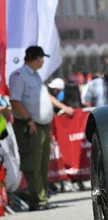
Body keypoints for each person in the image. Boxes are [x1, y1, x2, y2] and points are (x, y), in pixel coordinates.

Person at [8, 46, 74, 211]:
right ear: (35, 58)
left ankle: (42, 199)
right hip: (30, 126)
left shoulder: (36, 76)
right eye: (42, 57)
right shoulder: (19, 75)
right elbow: (15, 101)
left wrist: (63, 107)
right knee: (33, 165)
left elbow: (47, 96)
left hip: (42, 126)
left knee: (43, 164)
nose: (43, 60)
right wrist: (28, 119)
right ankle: (38, 201)